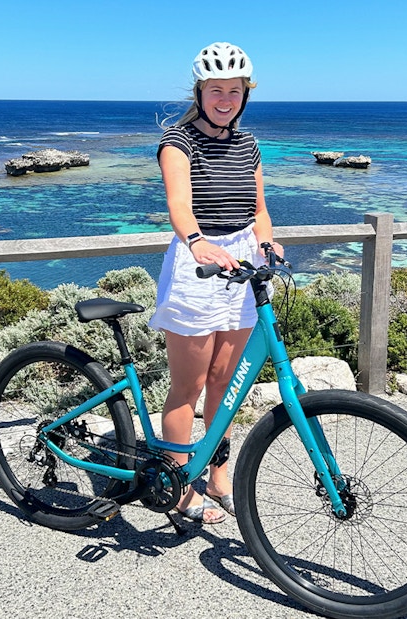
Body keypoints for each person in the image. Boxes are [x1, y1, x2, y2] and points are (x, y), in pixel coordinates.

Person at [149, 42, 284, 524]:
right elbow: (179, 207)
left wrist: (267, 244)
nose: (225, 99)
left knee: (224, 383)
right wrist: (196, 242)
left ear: (244, 94)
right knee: (188, 386)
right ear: (200, 91)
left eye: (234, 90)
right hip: (198, 265)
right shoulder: (177, 141)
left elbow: (260, 211)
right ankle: (179, 480)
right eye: (215, 90)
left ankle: (217, 471)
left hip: (242, 263)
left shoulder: (247, 144)